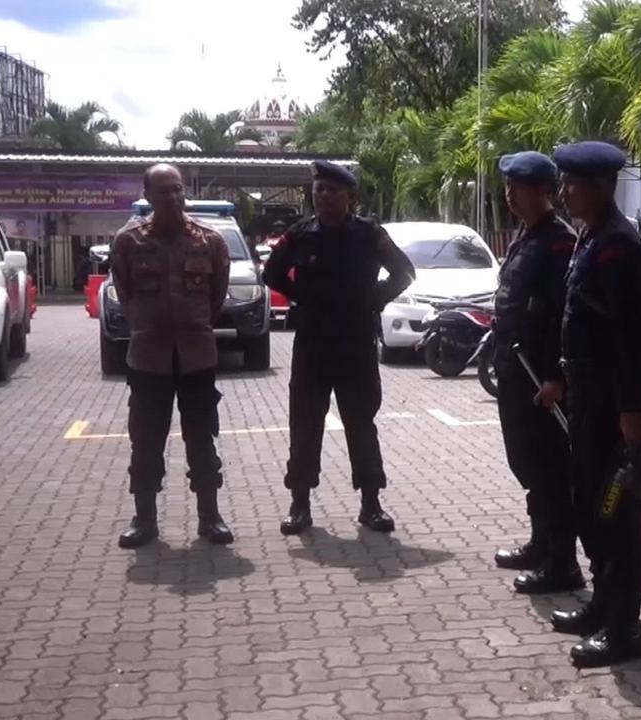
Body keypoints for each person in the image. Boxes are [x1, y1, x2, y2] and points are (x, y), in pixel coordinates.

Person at [263, 161, 416, 535]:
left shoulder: (368, 234)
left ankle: (371, 503)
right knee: (305, 424)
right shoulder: (300, 234)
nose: (324, 196)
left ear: (350, 196)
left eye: (332, 190)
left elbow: (404, 271)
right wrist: (303, 297)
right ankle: (300, 504)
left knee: (360, 423)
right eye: (318, 190)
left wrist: (374, 300)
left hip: (355, 343)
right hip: (313, 344)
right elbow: (271, 274)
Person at [548, 141, 641, 668]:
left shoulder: (617, 245)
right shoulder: (593, 237)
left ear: (602, 186)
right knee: (591, 504)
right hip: (590, 400)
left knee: (617, 513)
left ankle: (624, 627)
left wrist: (632, 409)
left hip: (614, 407)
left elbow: (632, 337)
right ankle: (603, 604)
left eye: (572, 183)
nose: (564, 193)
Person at [110, 163, 233, 549]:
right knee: (145, 440)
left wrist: (192, 327)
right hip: (148, 358)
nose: (174, 198)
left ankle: (209, 518)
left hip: (196, 357)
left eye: (178, 190)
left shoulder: (210, 241)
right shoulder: (128, 242)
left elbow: (216, 299)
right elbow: (126, 294)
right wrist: (151, 327)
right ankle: (144, 520)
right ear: (147, 196)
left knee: (201, 438)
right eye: (164, 191)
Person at [491, 151, 584, 595]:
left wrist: (554, 376)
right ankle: (540, 543)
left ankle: (562, 562)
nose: (510, 195)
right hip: (515, 373)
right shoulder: (526, 237)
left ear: (543, 191)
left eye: (519, 187)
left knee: (548, 469)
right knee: (525, 464)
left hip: (539, 379)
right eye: (508, 186)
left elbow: (561, 317)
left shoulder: (558, 243)